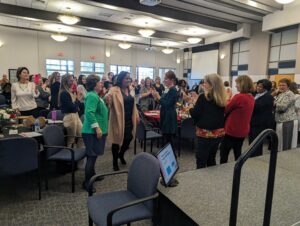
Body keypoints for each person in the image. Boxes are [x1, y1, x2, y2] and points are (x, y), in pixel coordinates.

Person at [189, 74, 226, 169]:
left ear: (211, 85)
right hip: (218, 133)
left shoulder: (203, 97)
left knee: (201, 160)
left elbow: (195, 114)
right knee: (211, 158)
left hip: (204, 134)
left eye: (205, 82)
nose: (203, 84)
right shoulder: (222, 98)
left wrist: (190, 107)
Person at [106, 71, 139, 171]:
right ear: (121, 79)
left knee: (128, 139)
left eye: (129, 78)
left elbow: (134, 105)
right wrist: (107, 99)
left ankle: (121, 154)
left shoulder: (131, 89)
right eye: (126, 78)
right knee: (116, 142)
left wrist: (137, 115)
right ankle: (115, 162)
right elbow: (109, 101)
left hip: (129, 119)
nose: (128, 80)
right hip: (118, 120)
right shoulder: (114, 90)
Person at [81, 75, 108, 191]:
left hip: (95, 131)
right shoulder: (92, 95)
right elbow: (89, 113)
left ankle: (92, 175)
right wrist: (97, 128)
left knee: (94, 155)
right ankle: (87, 183)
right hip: (91, 132)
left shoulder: (95, 95)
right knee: (91, 157)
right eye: (99, 83)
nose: (101, 84)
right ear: (94, 84)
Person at [220, 75, 255, 164]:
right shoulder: (251, 97)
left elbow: (226, 109)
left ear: (242, 84)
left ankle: (221, 172)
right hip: (243, 130)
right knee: (237, 151)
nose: (235, 86)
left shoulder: (239, 97)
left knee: (224, 152)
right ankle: (237, 170)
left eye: (237, 84)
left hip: (232, 129)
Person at [249, 79, 274, 156]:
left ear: (266, 88)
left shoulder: (268, 97)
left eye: (260, 86)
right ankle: (250, 155)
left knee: (257, 142)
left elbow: (258, 108)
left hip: (260, 123)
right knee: (251, 140)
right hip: (253, 121)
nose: (257, 88)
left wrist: (250, 103)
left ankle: (256, 158)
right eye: (257, 85)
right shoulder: (255, 94)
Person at [152, 71, 178, 147]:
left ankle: (171, 157)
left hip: (169, 116)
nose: (164, 80)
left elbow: (167, 104)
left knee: (169, 139)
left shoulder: (173, 90)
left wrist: (158, 96)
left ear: (172, 80)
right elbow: (162, 101)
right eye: (164, 78)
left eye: (166, 79)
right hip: (165, 114)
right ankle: (167, 156)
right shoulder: (167, 89)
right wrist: (156, 97)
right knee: (166, 137)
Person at [59, 74, 83, 148]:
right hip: (70, 117)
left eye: (73, 80)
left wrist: (77, 102)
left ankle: (79, 154)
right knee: (71, 139)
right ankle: (70, 156)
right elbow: (72, 108)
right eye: (71, 81)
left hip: (75, 115)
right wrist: (78, 100)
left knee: (81, 135)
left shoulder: (70, 91)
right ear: (65, 82)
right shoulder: (64, 93)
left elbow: (76, 107)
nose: (73, 82)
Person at [274, 78, 297, 151]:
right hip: (280, 120)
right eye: (280, 85)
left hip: (287, 121)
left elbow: (282, 107)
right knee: (280, 141)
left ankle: (285, 158)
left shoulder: (290, 94)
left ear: (288, 86)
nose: (281, 87)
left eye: (283, 85)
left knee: (286, 143)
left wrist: (273, 103)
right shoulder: (281, 94)